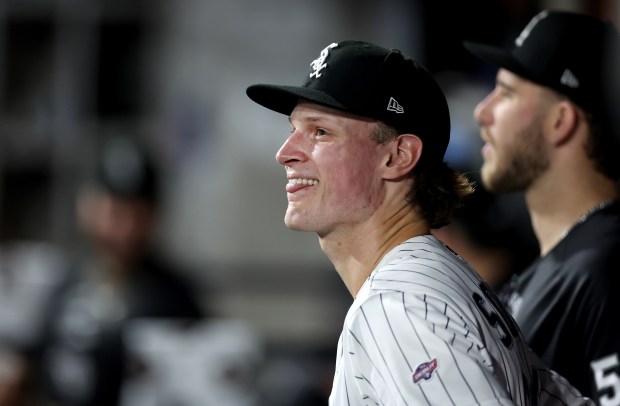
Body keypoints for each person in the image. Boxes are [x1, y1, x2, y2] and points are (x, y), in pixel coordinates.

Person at [247, 40, 592, 405]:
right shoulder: (433, 279)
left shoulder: (400, 304)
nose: (285, 153)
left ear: (398, 156)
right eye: (293, 129)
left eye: (320, 132)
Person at [464, 10, 620, 404]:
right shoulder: (561, 266)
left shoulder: (606, 267)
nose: (482, 112)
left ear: (560, 120)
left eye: (508, 93)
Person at [26, 135, 205, 405]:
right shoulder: (64, 281)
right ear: (87, 206)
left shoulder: (176, 297)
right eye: (114, 212)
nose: (125, 230)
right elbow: (35, 356)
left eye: (137, 214)